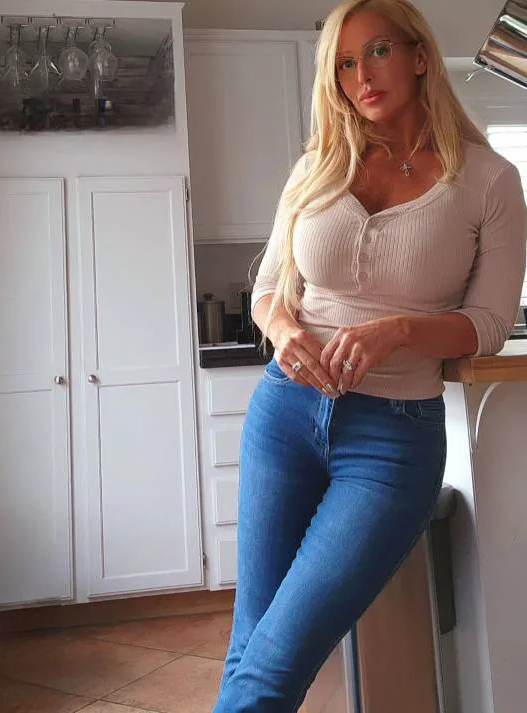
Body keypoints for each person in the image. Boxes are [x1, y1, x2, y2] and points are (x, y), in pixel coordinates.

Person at [211, 0, 527, 711]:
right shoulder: (317, 167)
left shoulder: (489, 180)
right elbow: (269, 289)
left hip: (392, 440)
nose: (362, 76)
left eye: (377, 52)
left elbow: (489, 324)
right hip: (284, 415)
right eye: (345, 64)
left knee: (272, 664)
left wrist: (400, 331)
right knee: (251, 648)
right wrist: (283, 330)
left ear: (420, 56)